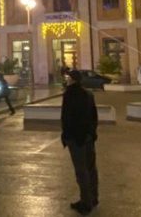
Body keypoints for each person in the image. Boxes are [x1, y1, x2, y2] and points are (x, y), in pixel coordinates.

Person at [61, 70, 99, 215]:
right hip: (88, 137)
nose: (67, 80)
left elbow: (67, 118)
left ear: (73, 80)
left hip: (76, 139)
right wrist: (92, 133)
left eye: (68, 78)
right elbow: (94, 116)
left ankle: (85, 202)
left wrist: (66, 135)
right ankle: (93, 197)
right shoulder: (88, 94)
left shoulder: (69, 95)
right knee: (91, 168)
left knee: (81, 170)